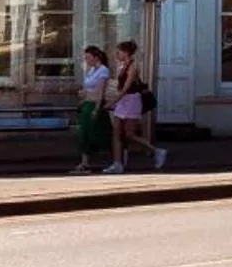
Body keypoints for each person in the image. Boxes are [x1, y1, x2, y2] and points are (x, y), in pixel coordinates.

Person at [109, 38, 166, 172]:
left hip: (131, 101)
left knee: (129, 134)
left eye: (119, 52)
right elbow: (120, 86)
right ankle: (117, 163)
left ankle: (156, 151)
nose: (117, 55)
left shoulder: (133, 67)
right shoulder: (122, 67)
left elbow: (126, 88)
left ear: (126, 53)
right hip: (123, 101)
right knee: (116, 132)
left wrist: (113, 101)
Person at [71, 45, 113, 174]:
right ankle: (85, 162)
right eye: (85, 58)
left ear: (96, 57)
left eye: (88, 57)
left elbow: (100, 91)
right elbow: (88, 88)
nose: (87, 60)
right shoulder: (91, 70)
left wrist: (97, 108)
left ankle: (114, 158)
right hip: (87, 103)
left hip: (95, 104)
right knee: (84, 133)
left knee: (98, 133)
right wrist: (83, 98)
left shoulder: (103, 71)